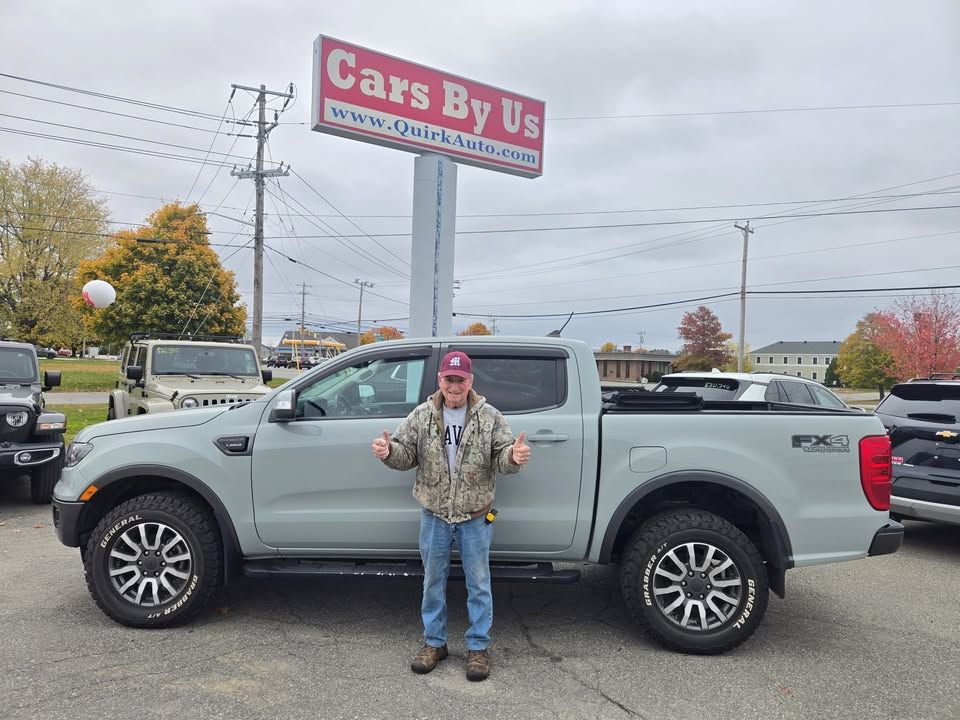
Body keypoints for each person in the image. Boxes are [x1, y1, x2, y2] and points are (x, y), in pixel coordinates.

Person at [371, 350, 531, 681]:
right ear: (439, 380)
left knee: (479, 584)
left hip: (475, 516)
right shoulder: (422, 415)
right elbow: (406, 454)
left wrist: (514, 457)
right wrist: (388, 453)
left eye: (460, 380)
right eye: (449, 379)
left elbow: (502, 456)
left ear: (470, 381)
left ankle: (477, 649)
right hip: (434, 515)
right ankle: (435, 643)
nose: (454, 386)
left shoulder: (490, 417)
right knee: (433, 582)